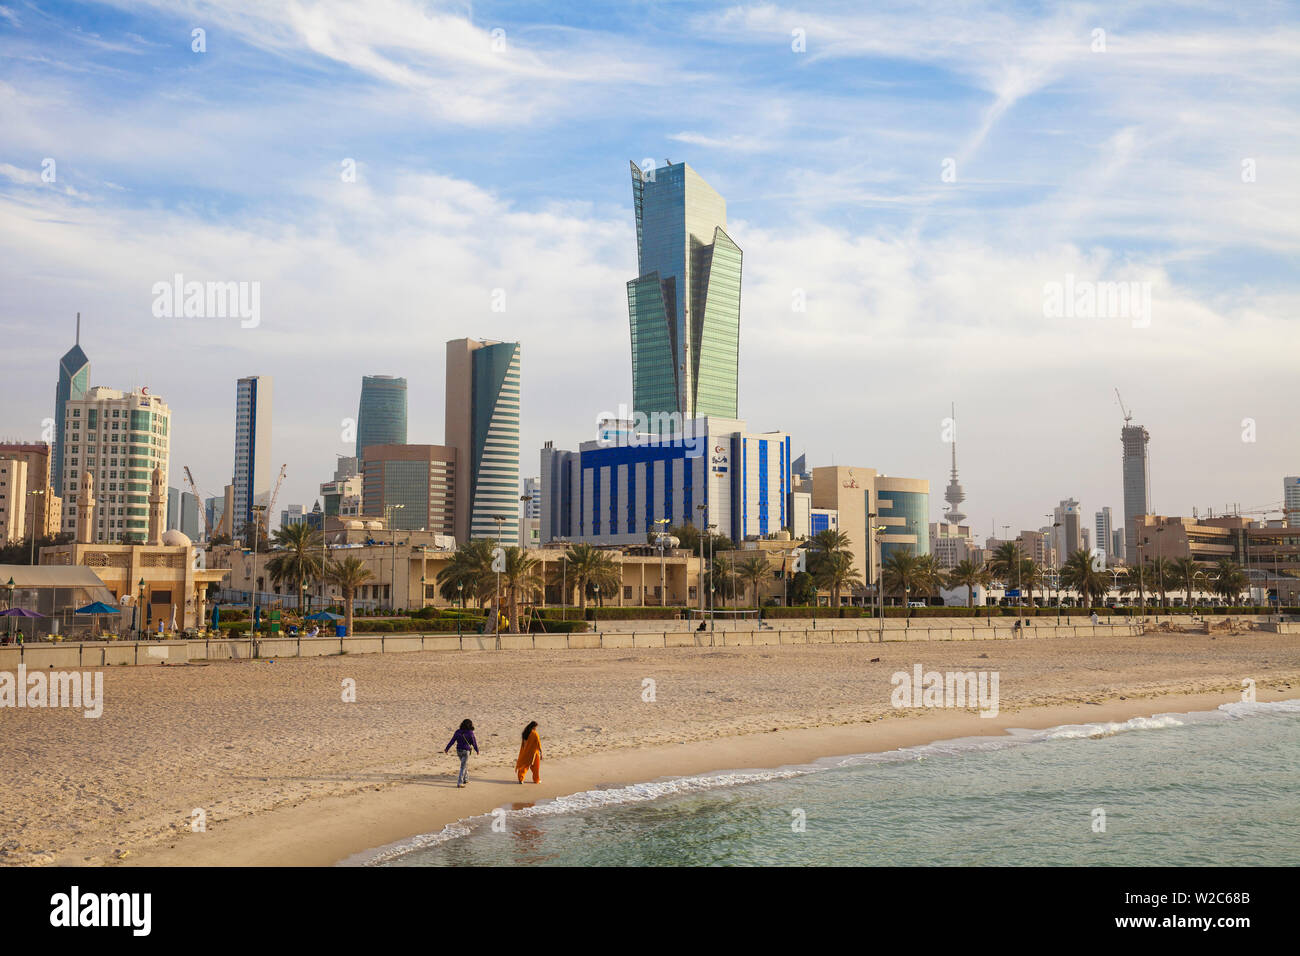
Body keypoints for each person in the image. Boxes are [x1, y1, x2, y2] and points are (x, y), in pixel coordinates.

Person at [444, 718, 480, 788]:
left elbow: (452, 741)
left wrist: (447, 748)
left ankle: (466, 779)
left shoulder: (457, 731)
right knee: (463, 766)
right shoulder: (470, 733)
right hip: (466, 751)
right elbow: (474, 742)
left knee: (464, 764)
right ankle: (460, 782)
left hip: (458, 751)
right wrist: (477, 750)